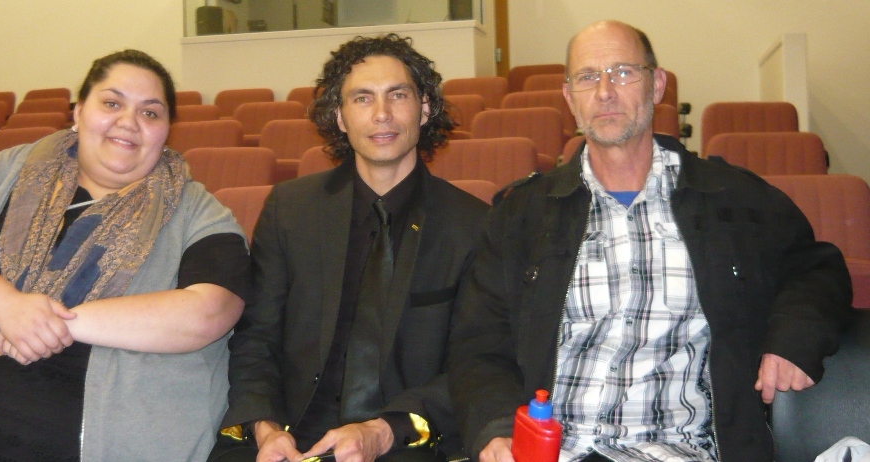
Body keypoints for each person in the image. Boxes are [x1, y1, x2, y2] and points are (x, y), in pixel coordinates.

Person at [448, 20, 851, 462]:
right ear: (569, 97)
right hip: (551, 451)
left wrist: (793, 337)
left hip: (678, 450)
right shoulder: (521, 214)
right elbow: (480, 342)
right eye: (587, 77)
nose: (604, 91)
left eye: (623, 72)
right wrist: (496, 428)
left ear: (656, 85)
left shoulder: (732, 199)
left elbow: (817, 268)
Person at [0, 49, 251, 462]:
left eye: (151, 113)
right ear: (78, 112)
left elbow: (210, 311)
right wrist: (7, 305)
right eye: (111, 103)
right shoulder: (2, 170)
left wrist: (52, 323)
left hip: (74, 438)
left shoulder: (199, 212)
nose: (129, 122)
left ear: (166, 130)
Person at [209, 34, 488, 462]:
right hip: (291, 436)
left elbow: (477, 363)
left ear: (425, 108)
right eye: (362, 98)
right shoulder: (291, 209)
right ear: (339, 117)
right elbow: (255, 339)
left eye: (398, 95)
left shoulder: (472, 224)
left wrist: (383, 431)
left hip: (404, 441)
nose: (382, 114)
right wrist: (265, 429)